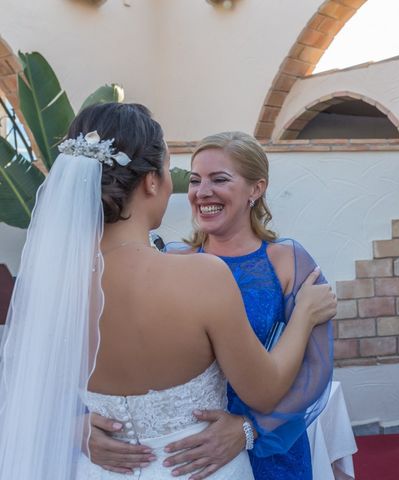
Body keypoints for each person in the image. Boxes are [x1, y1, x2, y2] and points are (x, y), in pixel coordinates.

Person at [0, 103, 336, 479]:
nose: (197, 190)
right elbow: (264, 391)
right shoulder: (201, 274)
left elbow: (28, 379)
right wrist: (304, 315)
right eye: (185, 176)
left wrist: (71, 426)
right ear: (152, 181)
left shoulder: (55, 282)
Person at [88, 131, 334, 479]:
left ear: (255, 189)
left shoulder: (288, 260)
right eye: (194, 180)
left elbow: (315, 368)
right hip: (191, 452)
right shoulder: (172, 258)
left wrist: (251, 429)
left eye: (219, 179)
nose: (202, 192)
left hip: (270, 446)